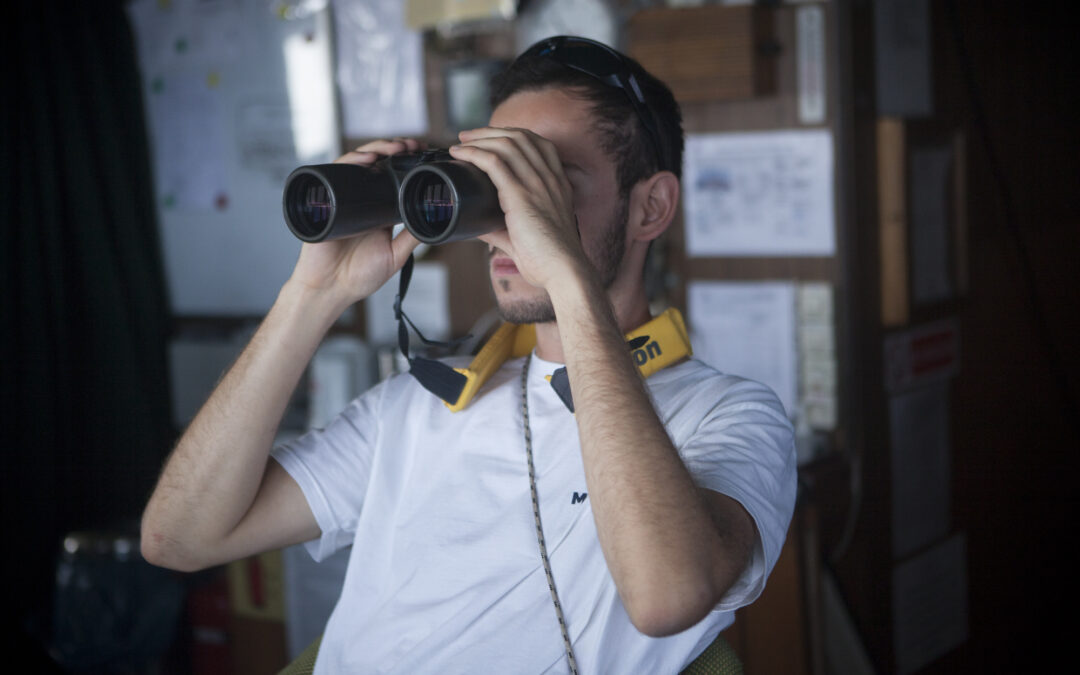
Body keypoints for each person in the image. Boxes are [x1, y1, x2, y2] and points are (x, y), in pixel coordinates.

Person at [141, 36, 797, 673]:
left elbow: (666, 598)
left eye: (542, 183)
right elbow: (178, 539)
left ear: (649, 207)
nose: (504, 219)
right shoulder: (419, 405)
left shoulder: (729, 416)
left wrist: (565, 275)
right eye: (492, 183)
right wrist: (314, 293)